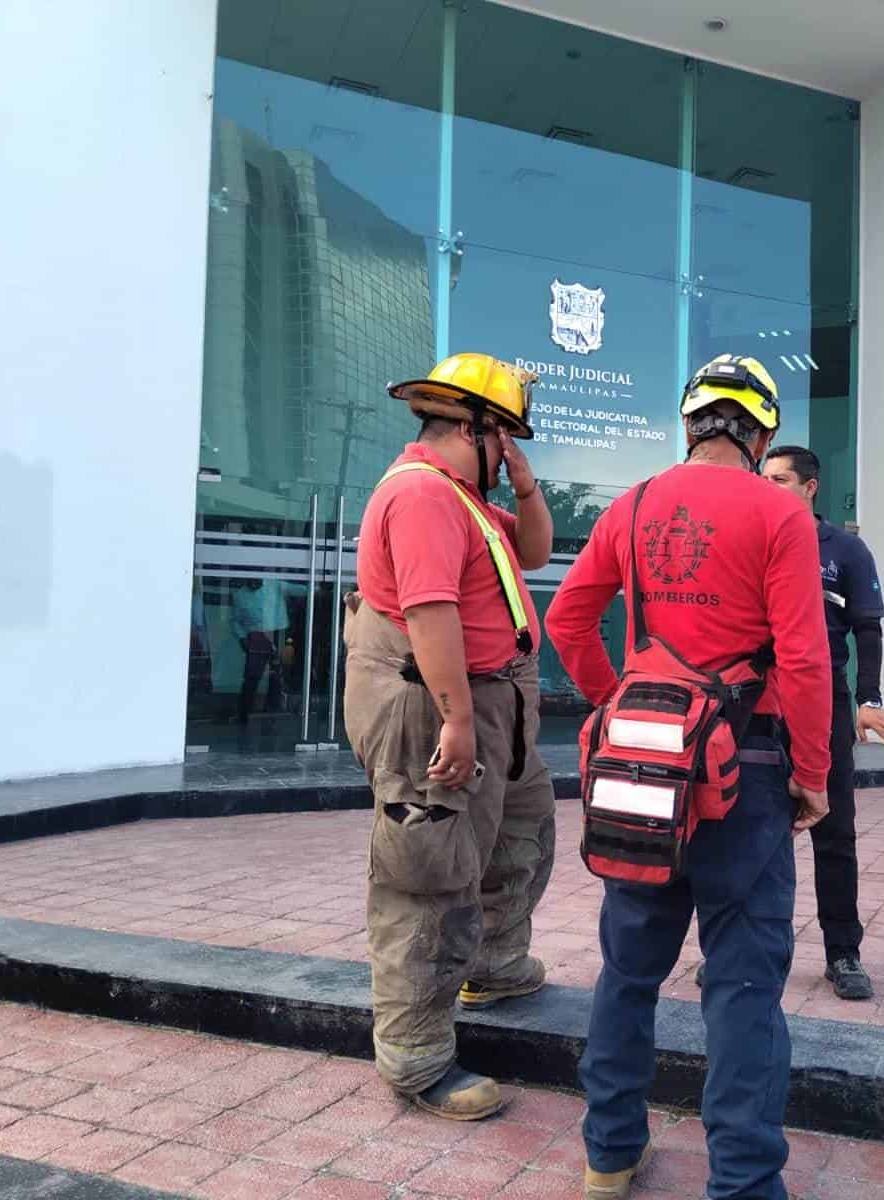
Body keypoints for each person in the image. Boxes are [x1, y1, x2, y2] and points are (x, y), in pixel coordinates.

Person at [546, 354, 832, 1200]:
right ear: (762, 433)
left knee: (628, 969)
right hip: (748, 763)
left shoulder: (631, 505)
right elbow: (808, 660)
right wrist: (812, 775)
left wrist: (619, 710)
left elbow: (567, 619)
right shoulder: (782, 514)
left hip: (641, 769)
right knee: (742, 984)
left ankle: (608, 1156)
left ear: (690, 424)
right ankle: (742, 1184)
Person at [343, 352, 557, 1122]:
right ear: (480, 429)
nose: (513, 453)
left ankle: (495, 964)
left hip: (492, 699)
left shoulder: (464, 499)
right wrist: (460, 720)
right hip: (432, 706)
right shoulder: (424, 496)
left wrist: (523, 481)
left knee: (516, 832)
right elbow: (430, 611)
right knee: (426, 876)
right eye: (509, 438)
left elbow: (532, 550)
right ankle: (417, 1058)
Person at [762, 445, 884, 1000]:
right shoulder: (756, 538)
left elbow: (868, 629)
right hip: (759, 704)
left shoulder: (844, 549)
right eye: (764, 476)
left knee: (834, 833)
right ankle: (744, 950)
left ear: (809, 486)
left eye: (779, 479)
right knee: (752, 834)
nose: (768, 485)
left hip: (824, 705)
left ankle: (843, 952)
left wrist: (868, 698)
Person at [231, 577, 289, 723]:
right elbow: (236, 621)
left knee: (278, 676)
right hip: (255, 641)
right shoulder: (239, 595)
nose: (256, 582)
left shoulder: (274, 585)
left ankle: (275, 711)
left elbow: (298, 588)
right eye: (252, 580)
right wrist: (242, 638)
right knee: (251, 679)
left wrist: (317, 588)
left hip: (278, 635)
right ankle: (243, 714)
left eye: (258, 580)